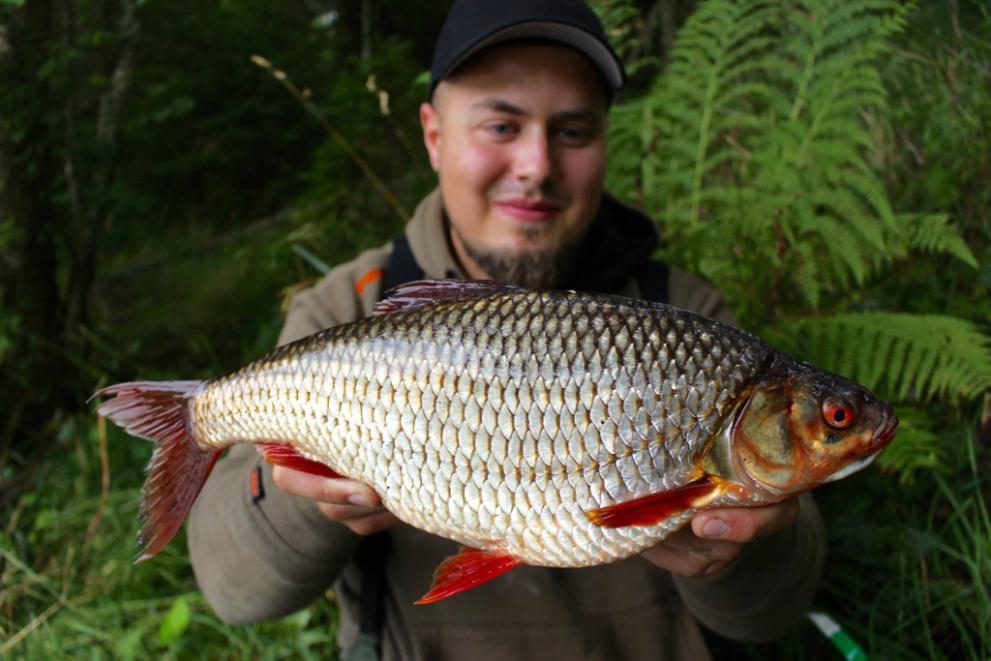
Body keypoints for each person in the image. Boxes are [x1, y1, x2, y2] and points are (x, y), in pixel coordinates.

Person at [187, 1, 826, 659]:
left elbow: (770, 616)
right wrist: (315, 495)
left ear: (606, 141)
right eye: (500, 124)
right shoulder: (345, 310)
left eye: (572, 131)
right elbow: (236, 596)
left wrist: (741, 546)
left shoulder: (688, 319)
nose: (536, 165)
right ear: (434, 135)